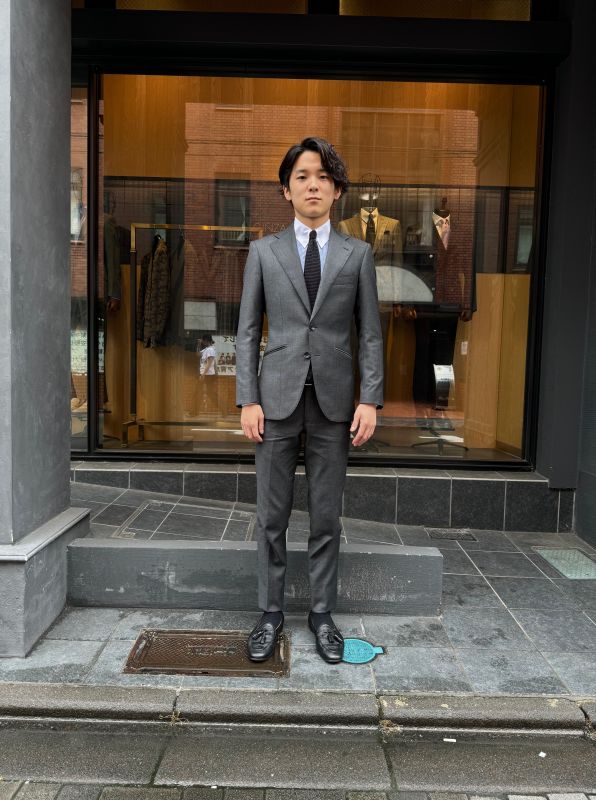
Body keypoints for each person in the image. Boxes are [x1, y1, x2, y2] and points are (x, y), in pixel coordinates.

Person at [236, 137, 383, 664]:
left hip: (334, 404)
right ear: (286, 189)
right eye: (302, 176)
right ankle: (270, 613)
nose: (312, 185)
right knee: (271, 516)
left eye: (322, 176)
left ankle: (322, 615)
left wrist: (370, 399)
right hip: (274, 400)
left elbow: (370, 334)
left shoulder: (357, 254)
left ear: (337, 189)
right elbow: (247, 331)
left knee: (326, 516)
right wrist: (247, 399)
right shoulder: (263, 252)